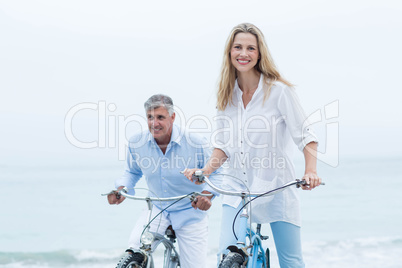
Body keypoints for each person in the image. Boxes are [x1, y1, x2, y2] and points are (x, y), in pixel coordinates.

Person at [183, 23, 321, 267]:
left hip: (276, 187)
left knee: (291, 261)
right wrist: (204, 172)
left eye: (250, 48)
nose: (243, 53)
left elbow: (306, 136)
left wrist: (311, 171)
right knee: (225, 258)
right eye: (238, 47)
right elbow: (223, 146)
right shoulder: (226, 96)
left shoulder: (279, 92)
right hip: (237, 191)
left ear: (259, 54)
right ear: (229, 52)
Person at [107, 94, 216, 268]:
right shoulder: (137, 142)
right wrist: (122, 189)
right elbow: (132, 172)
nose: (154, 123)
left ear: (172, 117)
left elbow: (217, 172)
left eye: (160, 117)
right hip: (156, 209)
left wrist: (207, 195)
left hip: (190, 212)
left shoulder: (196, 142)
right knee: (135, 250)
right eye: (150, 117)